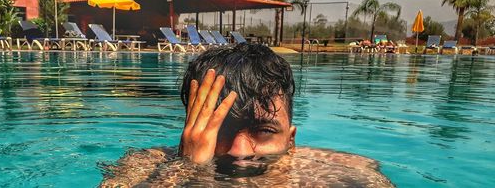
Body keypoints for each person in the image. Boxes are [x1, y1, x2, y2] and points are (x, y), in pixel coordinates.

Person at [100, 44, 394, 187]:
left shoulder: (350, 174)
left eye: (264, 130)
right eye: (221, 129)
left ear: (291, 138)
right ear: (194, 125)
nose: (240, 153)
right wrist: (187, 168)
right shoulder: (142, 168)